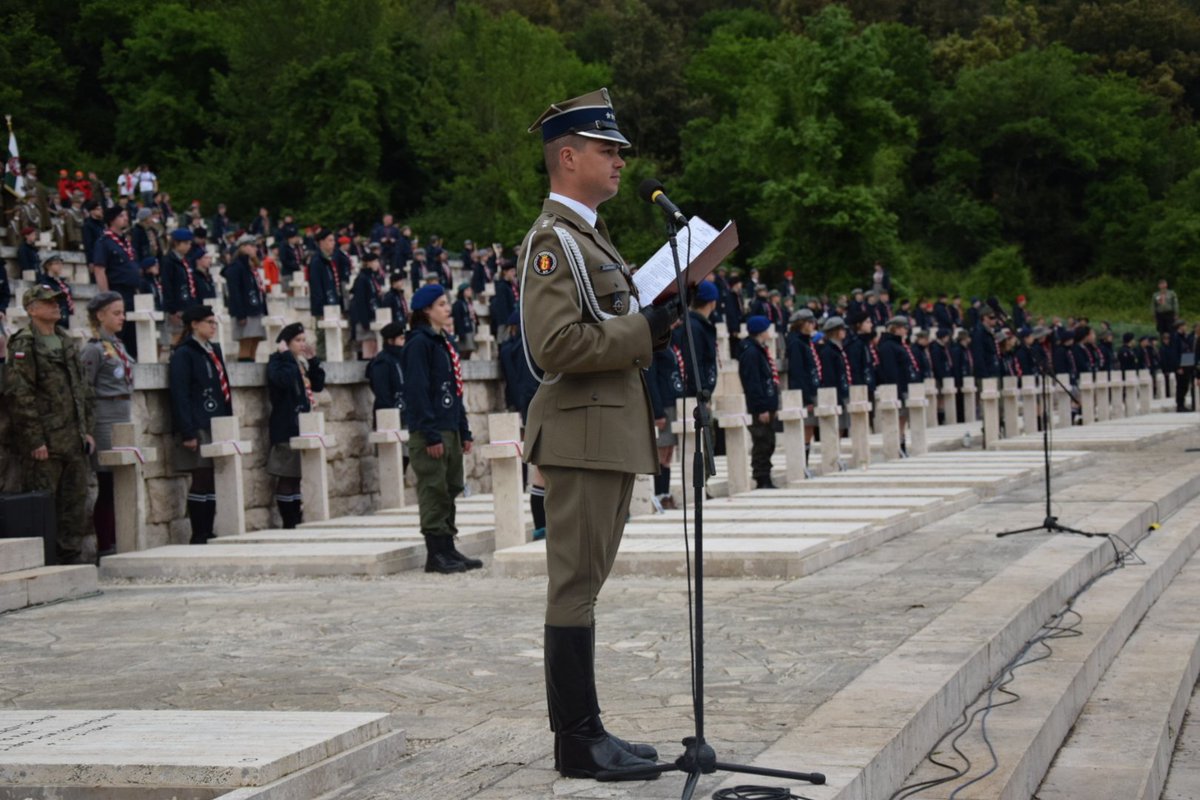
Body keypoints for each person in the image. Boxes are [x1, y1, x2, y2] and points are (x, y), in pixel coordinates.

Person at [518, 87, 687, 781]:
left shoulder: (590, 236)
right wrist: (641, 329)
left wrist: (653, 321)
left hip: (603, 432)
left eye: (619, 151)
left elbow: (602, 327)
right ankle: (579, 740)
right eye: (606, 149)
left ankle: (587, 732)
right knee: (575, 588)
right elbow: (553, 344)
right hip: (580, 435)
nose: (620, 161)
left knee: (586, 585)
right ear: (568, 157)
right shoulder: (554, 242)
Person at [5, 286, 95, 563]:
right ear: (32, 309)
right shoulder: (25, 344)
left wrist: (86, 430)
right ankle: (46, 560)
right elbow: (20, 395)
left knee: (75, 503)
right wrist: (35, 440)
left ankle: (71, 558)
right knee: (45, 504)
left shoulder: (65, 339)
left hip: (73, 439)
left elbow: (82, 388)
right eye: (48, 303)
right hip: (47, 442)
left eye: (57, 301)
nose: (56, 306)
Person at [402, 284, 480, 573]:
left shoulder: (444, 341)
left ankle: (448, 547)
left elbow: (455, 391)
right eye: (442, 305)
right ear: (426, 310)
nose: (448, 309)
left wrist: (464, 430)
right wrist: (430, 434)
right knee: (433, 489)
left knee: (450, 486)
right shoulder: (419, 343)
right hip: (431, 430)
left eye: (447, 304)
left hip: (450, 427)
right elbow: (418, 391)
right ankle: (435, 553)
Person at [169, 305, 233, 544]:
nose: (213, 326)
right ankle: (199, 532)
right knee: (201, 475)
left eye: (214, 322)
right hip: (198, 423)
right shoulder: (184, 353)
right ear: (194, 324)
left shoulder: (212, 350)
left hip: (216, 421)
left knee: (212, 477)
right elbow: (180, 393)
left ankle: (209, 530)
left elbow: (222, 387)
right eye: (208, 322)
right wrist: (187, 431)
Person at [80, 291, 134, 558]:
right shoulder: (93, 348)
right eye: (116, 313)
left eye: (122, 312)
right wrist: (87, 428)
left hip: (122, 414)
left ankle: (121, 539)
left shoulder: (117, 345)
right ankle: (106, 545)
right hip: (104, 418)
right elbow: (85, 388)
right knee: (107, 482)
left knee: (120, 482)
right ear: (100, 315)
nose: (122, 317)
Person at [266, 323, 325, 527]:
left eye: (303, 340)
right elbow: (282, 381)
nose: (302, 344)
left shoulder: (299, 363)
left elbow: (318, 385)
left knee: (298, 476)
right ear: (286, 343)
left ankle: (296, 519)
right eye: (297, 340)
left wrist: (313, 361)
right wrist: (285, 357)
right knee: (287, 476)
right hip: (286, 426)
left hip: (303, 425)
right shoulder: (278, 362)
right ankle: (289, 521)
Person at [91, 206, 142, 357]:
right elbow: (99, 270)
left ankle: (131, 362)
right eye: (121, 216)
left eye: (126, 215)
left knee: (133, 334)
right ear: (112, 220)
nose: (125, 218)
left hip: (132, 292)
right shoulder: (104, 242)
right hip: (117, 290)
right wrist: (107, 296)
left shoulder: (126, 242)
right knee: (118, 331)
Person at [739, 315, 780, 488]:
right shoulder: (751, 353)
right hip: (760, 407)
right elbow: (753, 382)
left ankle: (766, 475)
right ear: (761, 332)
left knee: (769, 441)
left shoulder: (759, 350)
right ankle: (762, 477)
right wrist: (762, 407)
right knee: (762, 441)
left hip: (767, 404)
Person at [224, 234, 267, 362]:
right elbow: (235, 292)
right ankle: (244, 368)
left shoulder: (250, 267)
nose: (255, 249)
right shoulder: (236, 267)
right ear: (242, 247)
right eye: (252, 246)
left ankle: (252, 365)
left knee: (255, 340)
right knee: (246, 342)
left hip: (255, 308)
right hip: (245, 311)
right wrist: (240, 314)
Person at [349, 252, 385, 359]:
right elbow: (360, 301)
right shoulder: (362, 278)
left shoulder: (372, 277)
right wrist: (365, 321)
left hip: (373, 315)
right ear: (368, 263)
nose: (377, 264)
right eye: (375, 261)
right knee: (368, 347)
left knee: (375, 347)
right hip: (365, 318)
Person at [40, 255, 75, 328]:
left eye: (61, 263)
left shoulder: (64, 285)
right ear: (48, 266)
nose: (60, 266)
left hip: (66, 320)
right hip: (52, 322)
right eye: (56, 263)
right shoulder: (44, 283)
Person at [451, 283, 478, 359]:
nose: (470, 291)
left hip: (471, 328)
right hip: (464, 330)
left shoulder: (468, 303)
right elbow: (458, 319)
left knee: (470, 349)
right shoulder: (458, 304)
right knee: (464, 349)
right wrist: (460, 332)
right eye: (468, 290)